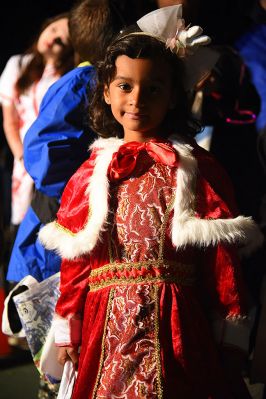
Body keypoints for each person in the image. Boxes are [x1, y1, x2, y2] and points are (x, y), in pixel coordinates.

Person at [39, 5, 263, 398]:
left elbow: (221, 261)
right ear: (106, 90)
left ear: (174, 95)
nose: (137, 99)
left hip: (177, 329)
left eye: (153, 88)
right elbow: (76, 262)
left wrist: (230, 330)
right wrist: (68, 324)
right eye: (125, 86)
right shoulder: (90, 175)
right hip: (105, 331)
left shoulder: (195, 170)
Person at [5, 0, 127, 284]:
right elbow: (41, 147)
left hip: (65, 212)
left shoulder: (88, 80)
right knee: (42, 304)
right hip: (55, 216)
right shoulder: (81, 83)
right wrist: (77, 193)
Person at [0, 13, 74, 238]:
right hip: (22, 160)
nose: (52, 40)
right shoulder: (17, 64)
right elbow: (10, 122)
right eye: (53, 30)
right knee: (17, 229)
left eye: (61, 40)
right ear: (45, 26)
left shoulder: (66, 79)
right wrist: (23, 157)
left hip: (51, 165)